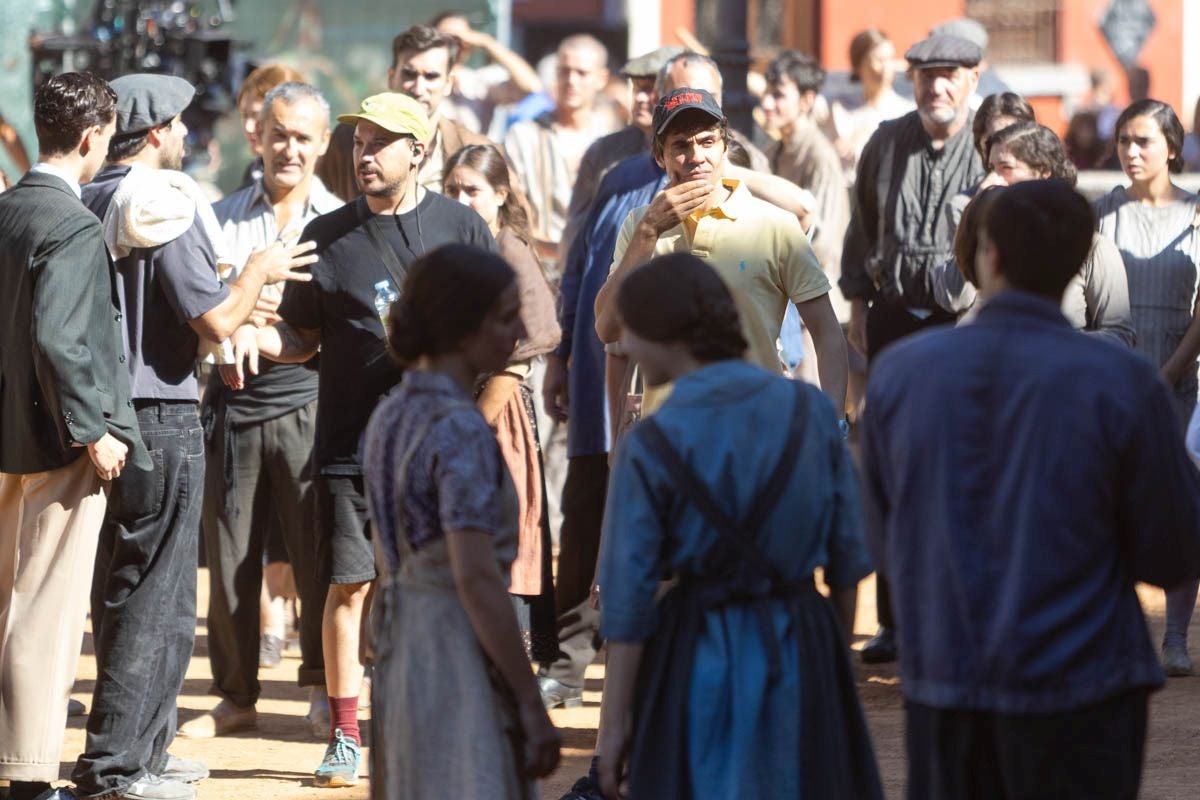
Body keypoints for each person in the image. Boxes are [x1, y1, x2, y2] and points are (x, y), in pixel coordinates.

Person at [861, 178, 1200, 800]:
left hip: (949, 685)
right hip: (1085, 686)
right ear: (1080, 264)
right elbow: (1174, 553)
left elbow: (883, 544)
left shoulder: (901, 374)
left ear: (987, 256)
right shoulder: (1124, 382)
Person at [230, 91, 497, 787]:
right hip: (351, 447)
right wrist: (250, 331)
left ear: (419, 151)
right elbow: (300, 336)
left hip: (436, 451)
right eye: (358, 141)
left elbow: (502, 331)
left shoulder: (462, 229)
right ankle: (346, 736)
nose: (365, 154)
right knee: (348, 587)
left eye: (380, 142)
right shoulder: (327, 234)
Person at [72, 73, 315, 800]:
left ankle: (144, 753)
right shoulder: (163, 202)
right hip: (160, 415)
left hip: (106, 416)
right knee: (154, 596)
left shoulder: (90, 196)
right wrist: (258, 273)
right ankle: (119, 767)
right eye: (178, 124)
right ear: (155, 134)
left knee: (133, 590)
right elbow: (214, 319)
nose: (186, 134)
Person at [594, 252, 882, 800]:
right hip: (801, 645)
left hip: (695, 654)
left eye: (631, 331)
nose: (624, 346)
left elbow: (628, 603)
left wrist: (613, 733)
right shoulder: (812, 415)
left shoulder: (649, 444)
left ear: (667, 332)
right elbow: (848, 562)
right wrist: (831, 659)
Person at [361, 244, 560, 799]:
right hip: (455, 649)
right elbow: (474, 577)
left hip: (402, 645)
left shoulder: (390, 414)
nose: (521, 330)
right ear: (463, 327)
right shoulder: (460, 429)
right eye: (505, 316)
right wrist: (528, 699)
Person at [180, 81, 342, 741]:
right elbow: (198, 307)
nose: (289, 149)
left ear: (323, 143)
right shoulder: (217, 215)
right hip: (232, 399)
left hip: (310, 400)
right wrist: (243, 311)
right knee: (229, 559)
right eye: (279, 135)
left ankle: (323, 689)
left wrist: (270, 319)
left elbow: (347, 318)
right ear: (258, 136)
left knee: (317, 554)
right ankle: (235, 696)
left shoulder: (340, 221)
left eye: (303, 137)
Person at [0, 71, 145, 800]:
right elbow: (60, 341)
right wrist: (94, 432)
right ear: (92, 138)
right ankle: (29, 774)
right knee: (45, 611)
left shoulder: (5, 211)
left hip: (6, 438)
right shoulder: (74, 224)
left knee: (7, 600)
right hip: (57, 443)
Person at [840, 32, 986, 665]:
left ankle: (961, 619)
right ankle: (895, 622)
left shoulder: (990, 145)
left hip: (965, 328)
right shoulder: (885, 142)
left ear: (975, 77)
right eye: (926, 75)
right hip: (894, 323)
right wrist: (856, 306)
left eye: (950, 73)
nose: (937, 86)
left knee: (963, 473)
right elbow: (861, 227)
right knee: (893, 471)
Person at [595, 87, 849, 410]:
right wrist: (649, 231)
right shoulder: (639, 225)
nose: (696, 156)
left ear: (725, 146)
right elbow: (608, 328)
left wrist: (833, 421)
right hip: (671, 431)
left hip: (756, 426)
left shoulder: (776, 224)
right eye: (681, 145)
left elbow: (827, 332)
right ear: (660, 157)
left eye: (707, 142)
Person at [443, 143, 562, 664]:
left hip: (497, 415)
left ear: (499, 194)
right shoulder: (451, 246)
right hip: (454, 407)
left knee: (500, 541)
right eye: (451, 190)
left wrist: (473, 423)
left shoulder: (509, 250)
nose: (460, 200)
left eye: (471, 190)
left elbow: (532, 342)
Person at [1094, 98, 1200, 676]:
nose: (1131, 152)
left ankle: (1176, 639)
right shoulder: (1102, 213)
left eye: (1143, 141)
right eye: (1124, 141)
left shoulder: (1197, 215)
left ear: (1172, 148)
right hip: (1113, 385)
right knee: (1109, 509)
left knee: (1180, 510)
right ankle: (1121, 634)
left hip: (1180, 382)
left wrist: (1169, 373)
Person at [931, 122, 1135, 345]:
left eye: (1006, 168)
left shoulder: (1090, 246)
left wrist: (1053, 343)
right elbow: (952, 298)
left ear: (1042, 172)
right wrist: (977, 221)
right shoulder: (983, 235)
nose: (993, 180)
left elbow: (1119, 333)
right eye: (991, 169)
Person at [504, 33, 616, 275]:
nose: (571, 81)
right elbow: (513, 205)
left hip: (596, 269)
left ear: (601, 79)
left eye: (581, 73)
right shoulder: (524, 136)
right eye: (564, 71)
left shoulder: (612, 139)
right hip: (539, 267)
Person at [559, 46, 683, 261]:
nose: (641, 98)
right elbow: (576, 235)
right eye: (637, 88)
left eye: (652, 89)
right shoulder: (604, 152)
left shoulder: (710, 151)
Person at [759, 50, 850, 291]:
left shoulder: (820, 156)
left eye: (778, 95)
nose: (766, 103)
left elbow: (822, 242)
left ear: (806, 101)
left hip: (815, 294)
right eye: (766, 93)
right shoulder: (771, 152)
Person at [389, 24, 493, 192]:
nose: (418, 89)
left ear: (448, 83)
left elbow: (514, 208)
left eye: (431, 76)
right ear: (391, 77)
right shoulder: (353, 144)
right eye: (409, 74)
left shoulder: (475, 148)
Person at [431, 11, 544, 137]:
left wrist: (487, 43)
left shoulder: (479, 82)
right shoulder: (420, 80)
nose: (454, 45)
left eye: (460, 40)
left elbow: (532, 87)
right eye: (446, 38)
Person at [828, 29, 914, 183]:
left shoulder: (906, 111)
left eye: (890, 59)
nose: (886, 67)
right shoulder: (839, 109)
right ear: (858, 65)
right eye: (879, 60)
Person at [235, 63, 306, 185]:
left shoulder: (311, 177)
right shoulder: (254, 171)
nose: (248, 127)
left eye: (258, 115)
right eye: (244, 115)